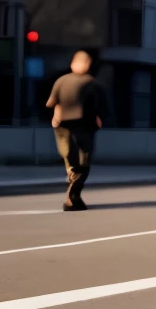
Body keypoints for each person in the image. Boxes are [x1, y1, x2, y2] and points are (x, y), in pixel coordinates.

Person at [44, 51, 109, 211]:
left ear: (73, 64)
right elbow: (101, 108)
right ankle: (72, 196)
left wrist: (56, 117)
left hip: (62, 125)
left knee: (70, 161)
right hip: (84, 126)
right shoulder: (92, 83)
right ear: (87, 65)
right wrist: (99, 119)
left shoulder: (61, 80)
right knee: (84, 162)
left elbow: (52, 103)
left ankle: (73, 196)